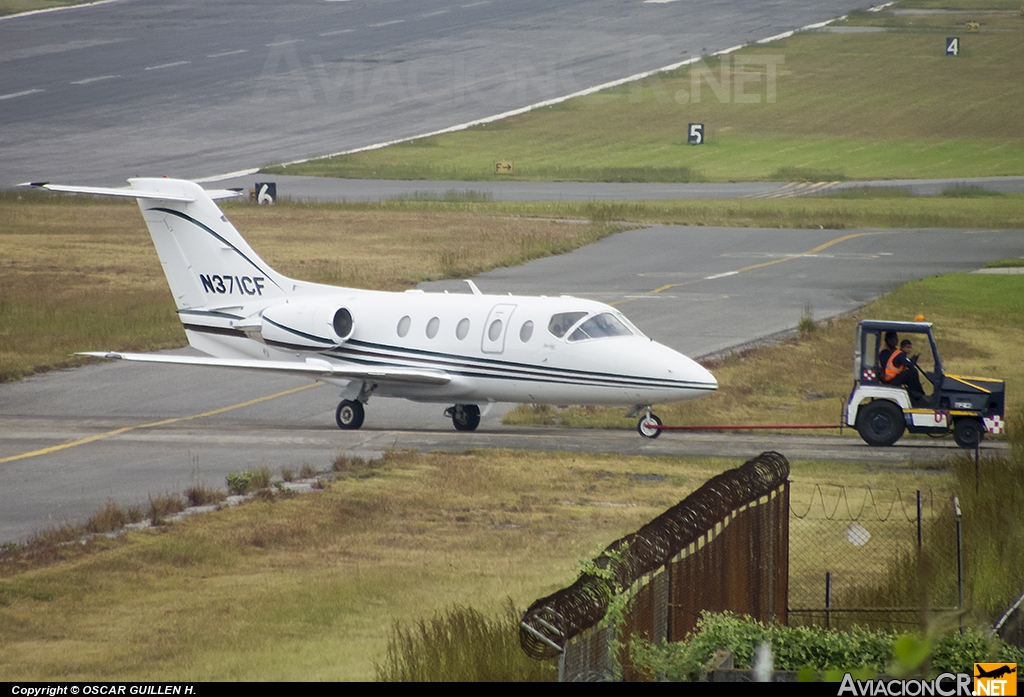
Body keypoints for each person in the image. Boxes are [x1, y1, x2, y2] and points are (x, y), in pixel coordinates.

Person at [884, 339, 926, 406]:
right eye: (907, 347)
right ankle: (918, 393)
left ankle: (915, 393)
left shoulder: (899, 353)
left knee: (910, 373)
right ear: (902, 347)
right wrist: (912, 363)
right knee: (913, 372)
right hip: (892, 378)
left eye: (910, 347)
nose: (909, 350)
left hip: (893, 377)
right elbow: (908, 365)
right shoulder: (900, 355)